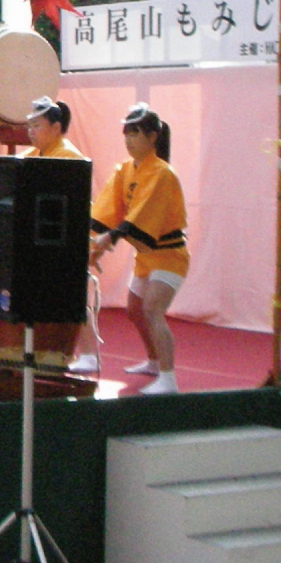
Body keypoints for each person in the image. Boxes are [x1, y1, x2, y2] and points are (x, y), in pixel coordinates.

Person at [91, 104, 189, 395]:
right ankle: (154, 360)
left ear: (153, 137)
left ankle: (169, 378)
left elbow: (140, 217)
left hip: (170, 255)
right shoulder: (124, 170)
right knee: (135, 310)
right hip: (147, 257)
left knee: (152, 309)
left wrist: (110, 238)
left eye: (135, 134)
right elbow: (108, 211)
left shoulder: (162, 173)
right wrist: (94, 240)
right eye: (126, 134)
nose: (129, 140)